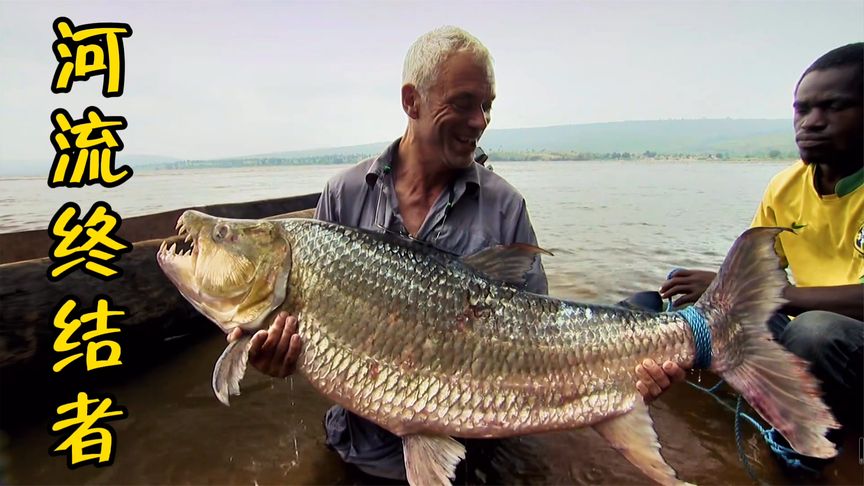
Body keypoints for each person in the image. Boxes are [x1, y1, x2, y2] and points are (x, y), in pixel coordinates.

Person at [229, 26, 548, 481]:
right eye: (462, 103)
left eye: (487, 106)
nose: (479, 121)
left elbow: (540, 338)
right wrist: (277, 356)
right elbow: (309, 336)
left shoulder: (506, 207)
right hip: (356, 450)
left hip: (471, 457)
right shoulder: (344, 195)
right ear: (411, 101)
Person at [636, 43, 864, 460]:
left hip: (839, 341)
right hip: (802, 328)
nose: (811, 123)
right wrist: (719, 290)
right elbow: (763, 272)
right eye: (802, 110)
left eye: (833, 107)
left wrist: (770, 296)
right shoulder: (785, 187)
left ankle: (812, 447)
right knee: (682, 308)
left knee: (814, 332)